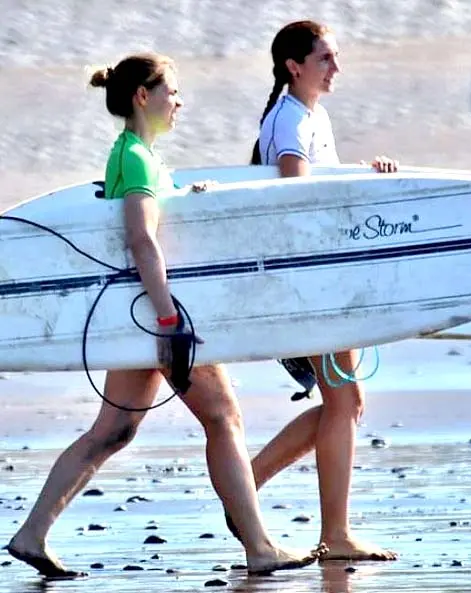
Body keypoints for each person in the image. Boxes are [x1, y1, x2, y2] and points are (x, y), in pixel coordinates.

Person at [6, 54, 320, 579]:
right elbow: (140, 238)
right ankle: (261, 547)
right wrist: (170, 318)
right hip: (159, 313)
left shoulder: (136, 155)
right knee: (223, 419)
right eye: (171, 91)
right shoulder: (135, 158)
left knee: (114, 431)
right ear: (142, 97)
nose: (179, 101)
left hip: (142, 313)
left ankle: (31, 534)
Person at [230, 20, 398, 562]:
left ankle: (244, 486)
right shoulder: (286, 121)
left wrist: (367, 174)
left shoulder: (310, 115)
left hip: (323, 279)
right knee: (343, 401)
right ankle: (329, 531)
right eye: (325, 58)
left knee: (344, 402)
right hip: (308, 283)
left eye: (335, 56)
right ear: (293, 66)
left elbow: (322, 180)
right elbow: (295, 191)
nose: (335, 67)